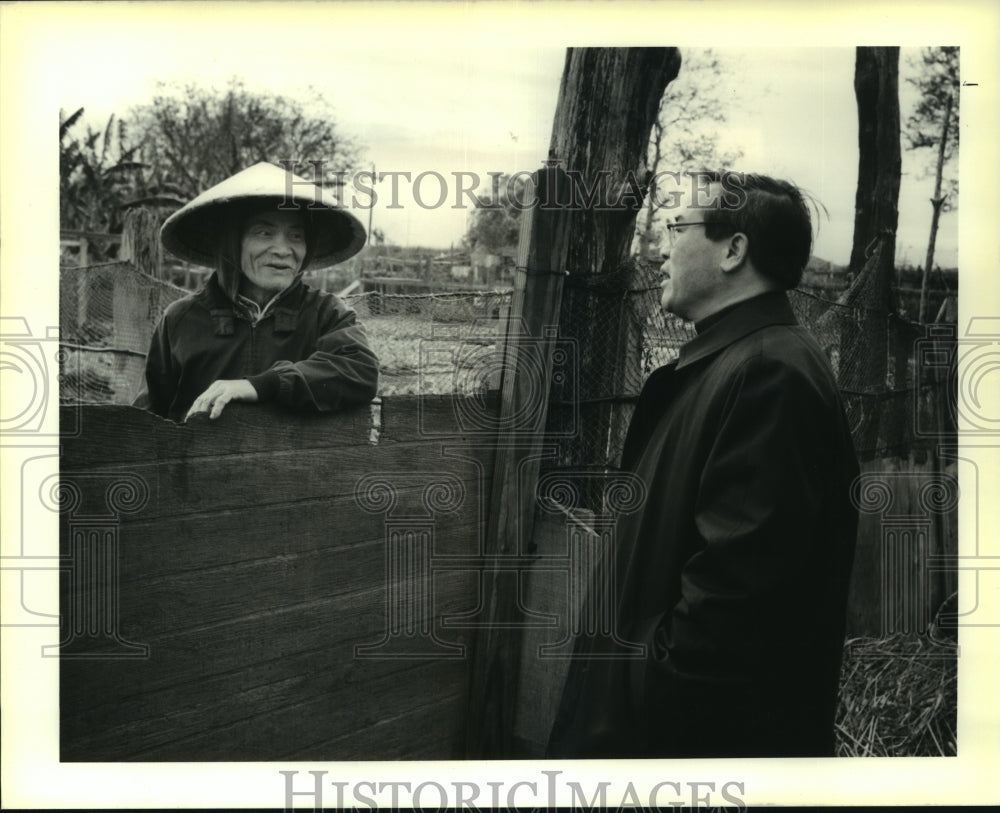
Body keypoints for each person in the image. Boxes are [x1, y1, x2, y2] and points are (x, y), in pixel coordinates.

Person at [546, 172, 859, 758]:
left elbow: (732, 611)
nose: (661, 247)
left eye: (676, 227)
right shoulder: (742, 360)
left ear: (734, 250)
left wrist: (634, 693)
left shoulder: (769, 376)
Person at [134, 162, 379, 422]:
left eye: (296, 236)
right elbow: (147, 418)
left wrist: (263, 384)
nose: (283, 250)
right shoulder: (180, 320)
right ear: (232, 242)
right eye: (264, 233)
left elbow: (361, 369)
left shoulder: (327, 315)